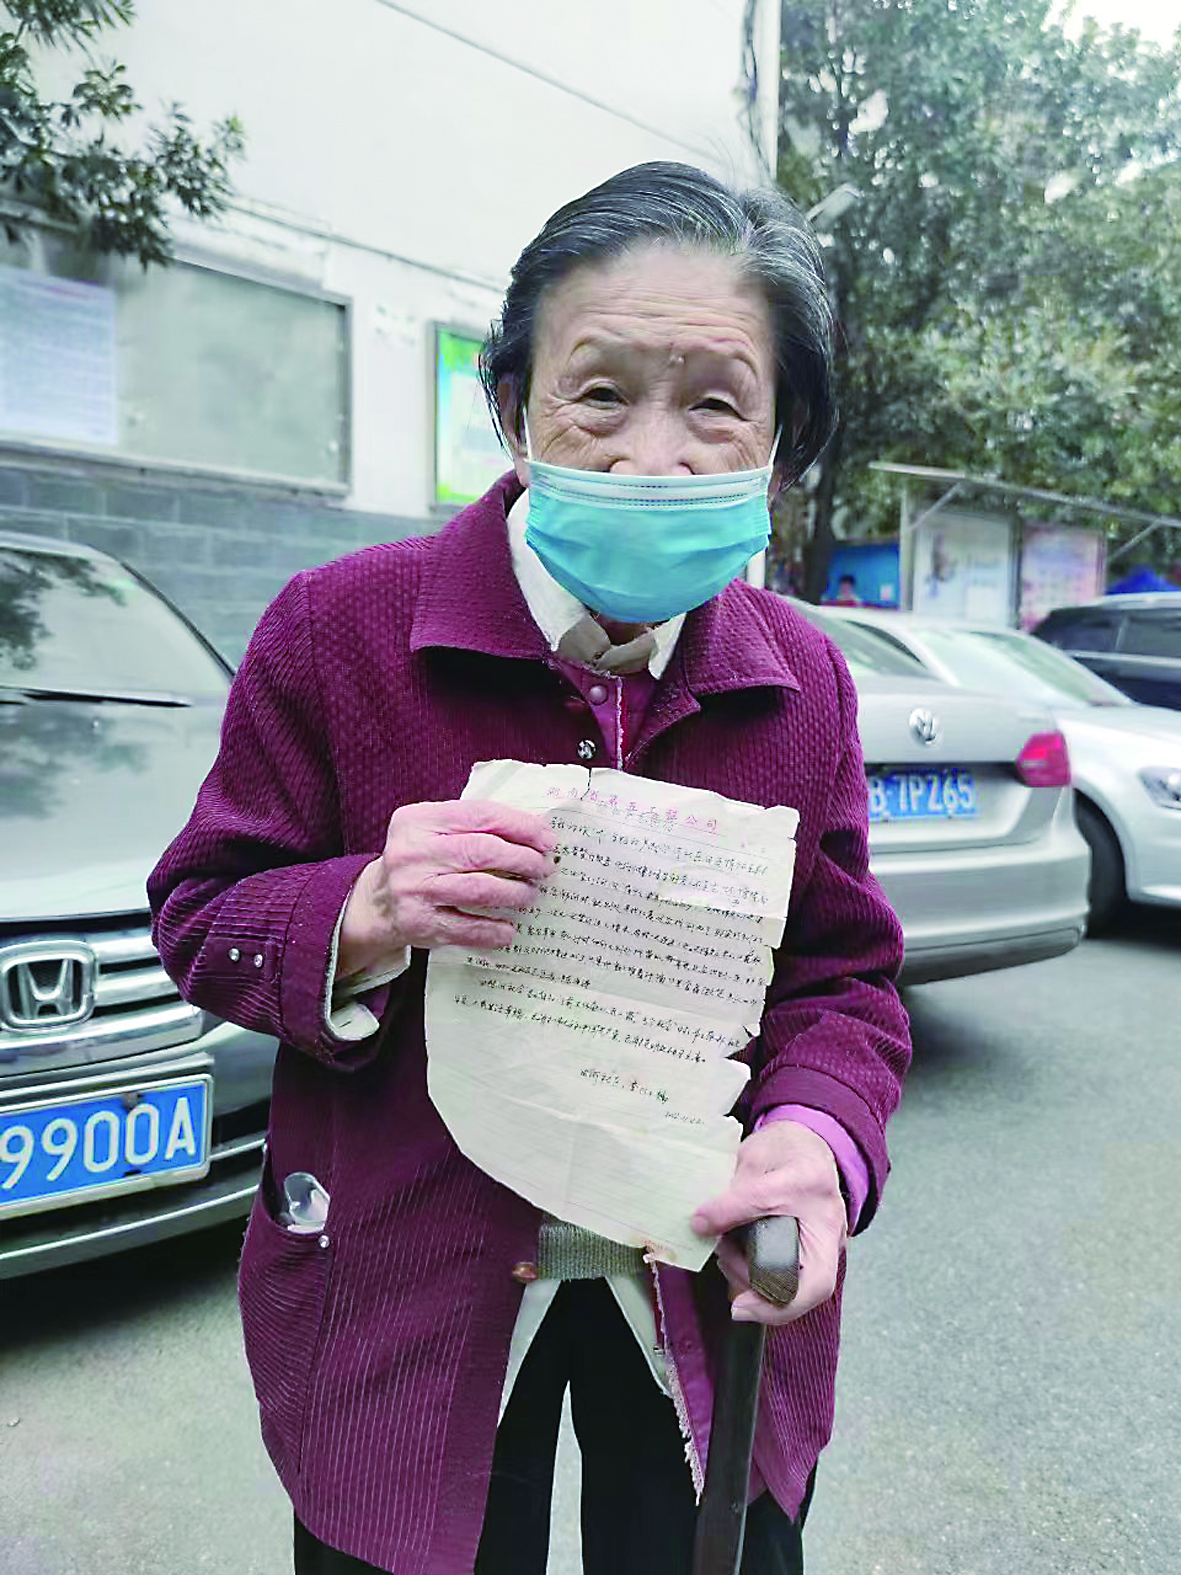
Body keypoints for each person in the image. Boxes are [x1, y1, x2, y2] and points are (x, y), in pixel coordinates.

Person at [148, 161, 910, 1575]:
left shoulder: (802, 679)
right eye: (600, 393)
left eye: (717, 405)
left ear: (780, 443)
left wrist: (817, 1138)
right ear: (512, 405)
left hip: (701, 1284)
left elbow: (843, 977)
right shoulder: (336, 632)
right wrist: (361, 912)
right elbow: (202, 913)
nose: (652, 458)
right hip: (402, 1285)